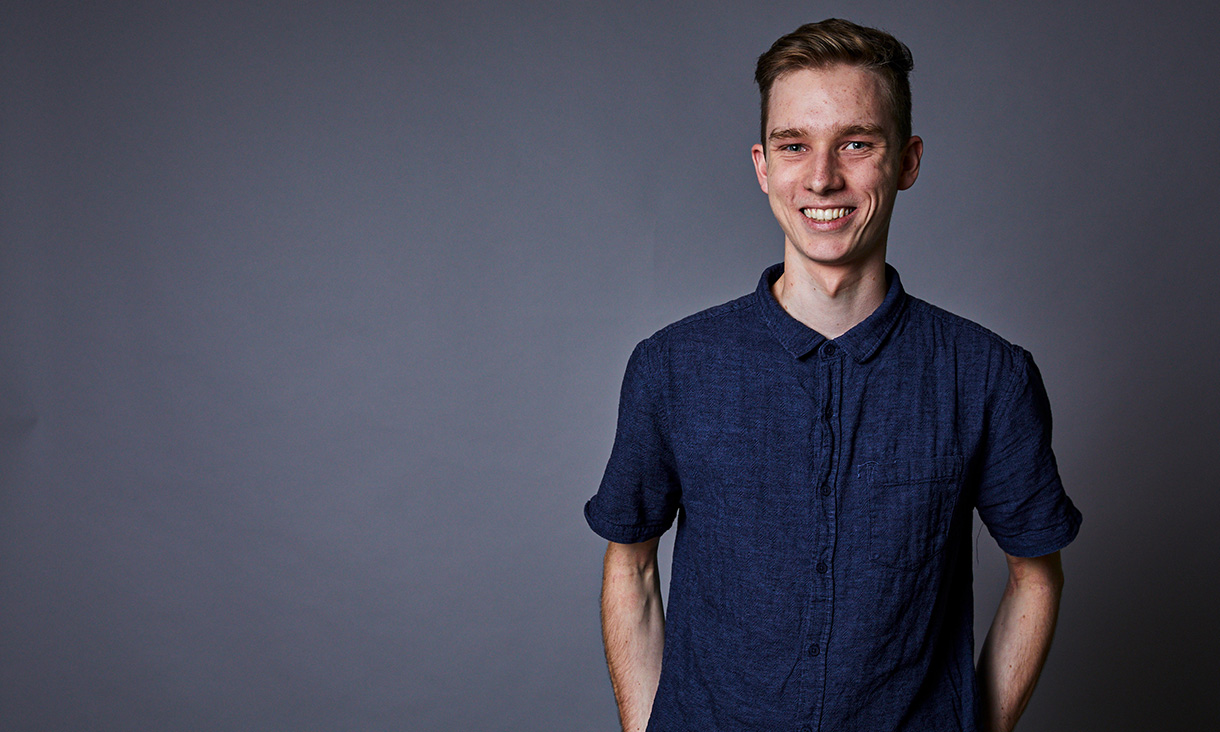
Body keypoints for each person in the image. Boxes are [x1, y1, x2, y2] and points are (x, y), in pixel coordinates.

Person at [584, 18, 1082, 732]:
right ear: (763, 166)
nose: (821, 177)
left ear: (906, 162)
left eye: (856, 143)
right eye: (794, 146)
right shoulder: (671, 367)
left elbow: (1037, 576)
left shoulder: (988, 376)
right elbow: (629, 566)